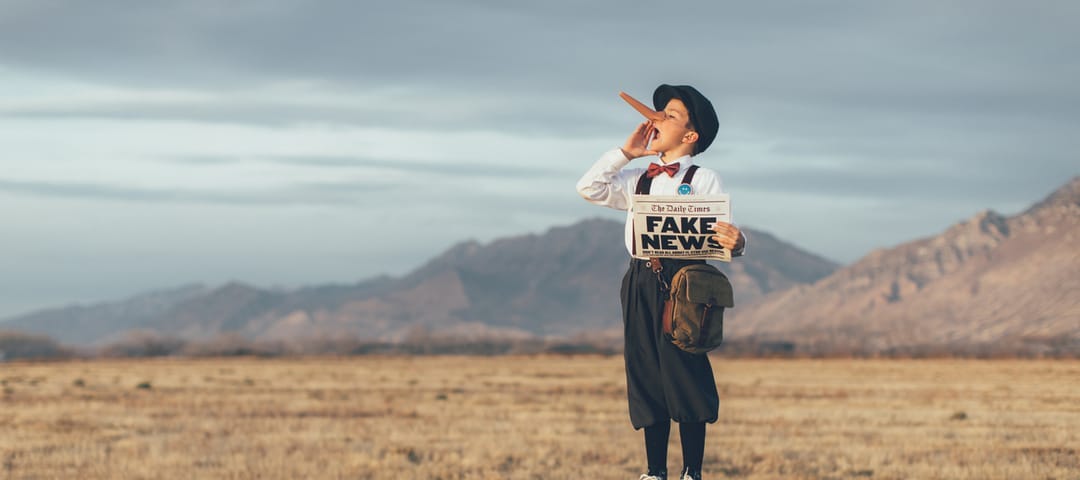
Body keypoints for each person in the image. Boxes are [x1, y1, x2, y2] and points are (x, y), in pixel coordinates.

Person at [575, 84, 745, 480]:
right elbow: (589, 188)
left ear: (690, 136)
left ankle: (692, 471)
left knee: (684, 367)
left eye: (668, 115)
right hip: (640, 278)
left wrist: (739, 243)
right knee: (645, 369)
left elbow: (723, 236)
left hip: (687, 281)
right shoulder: (637, 178)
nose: (656, 119)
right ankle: (654, 471)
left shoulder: (704, 178)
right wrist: (626, 153)